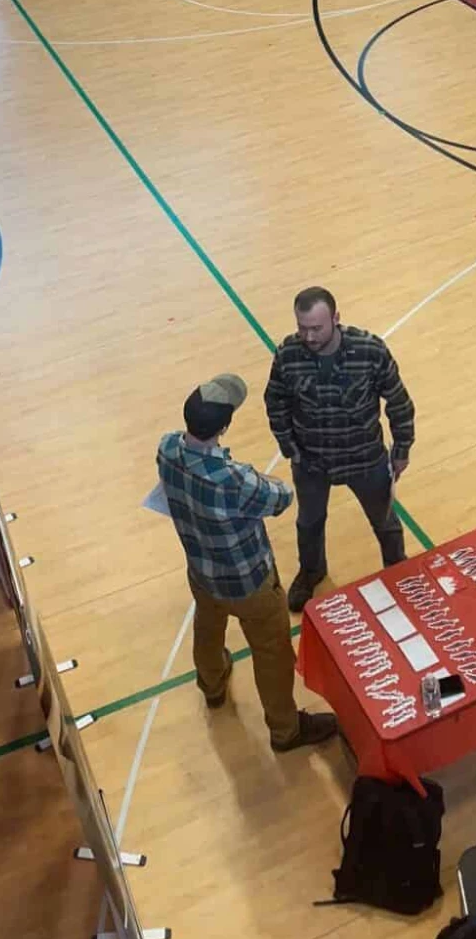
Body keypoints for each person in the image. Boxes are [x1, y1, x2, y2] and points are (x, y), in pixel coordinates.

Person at [157, 374, 340, 752]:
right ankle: (285, 730)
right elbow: (281, 497)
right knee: (272, 652)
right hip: (250, 583)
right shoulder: (235, 481)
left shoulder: (167, 449)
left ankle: (212, 685)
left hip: (201, 571)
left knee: (208, 626)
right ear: (224, 427)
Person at [265, 286, 415, 613]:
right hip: (312, 462)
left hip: (364, 458)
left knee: (385, 520)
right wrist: (290, 448)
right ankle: (312, 571)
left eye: (316, 327)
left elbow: (399, 402)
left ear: (336, 318)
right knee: (309, 523)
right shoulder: (288, 355)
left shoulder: (370, 351)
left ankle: (397, 567)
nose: (308, 336)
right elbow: (275, 401)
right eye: (302, 327)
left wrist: (401, 448)